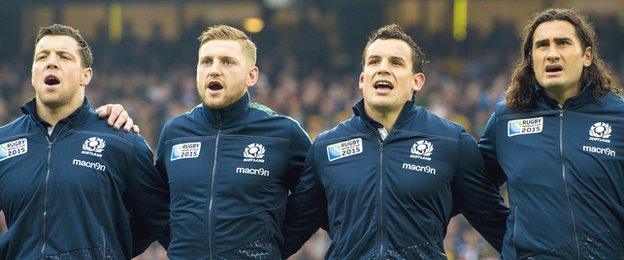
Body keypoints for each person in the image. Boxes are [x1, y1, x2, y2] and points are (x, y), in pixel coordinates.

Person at [283, 24, 508, 259]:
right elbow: (291, 230)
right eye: (374, 61)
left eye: (396, 62)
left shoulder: (451, 141)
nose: (382, 69)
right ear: (362, 79)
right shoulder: (326, 147)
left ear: (417, 82)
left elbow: (494, 220)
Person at [0, 24, 169, 259]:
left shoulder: (122, 141)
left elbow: (159, 221)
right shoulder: (4, 141)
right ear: (32, 73)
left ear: (85, 75)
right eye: (42, 56)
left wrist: (108, 250)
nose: (51, 62)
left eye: (64, 56)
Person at [154, 24, 313, 259]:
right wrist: (182, 246)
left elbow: (312, 202)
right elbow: (156, 204)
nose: (214, 70)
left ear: (252, 75)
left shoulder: (284, 133)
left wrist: (272, 247)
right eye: (206, 61)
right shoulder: (175, 132)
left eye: (227, 62)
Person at [478, 8, 624, 258]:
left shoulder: (619, 117)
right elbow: (475, 190)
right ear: (531, 59)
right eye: (542, 45)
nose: (552, 53)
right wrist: (512, 238)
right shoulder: (507, 119)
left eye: (563, 43)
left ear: (587, 55)